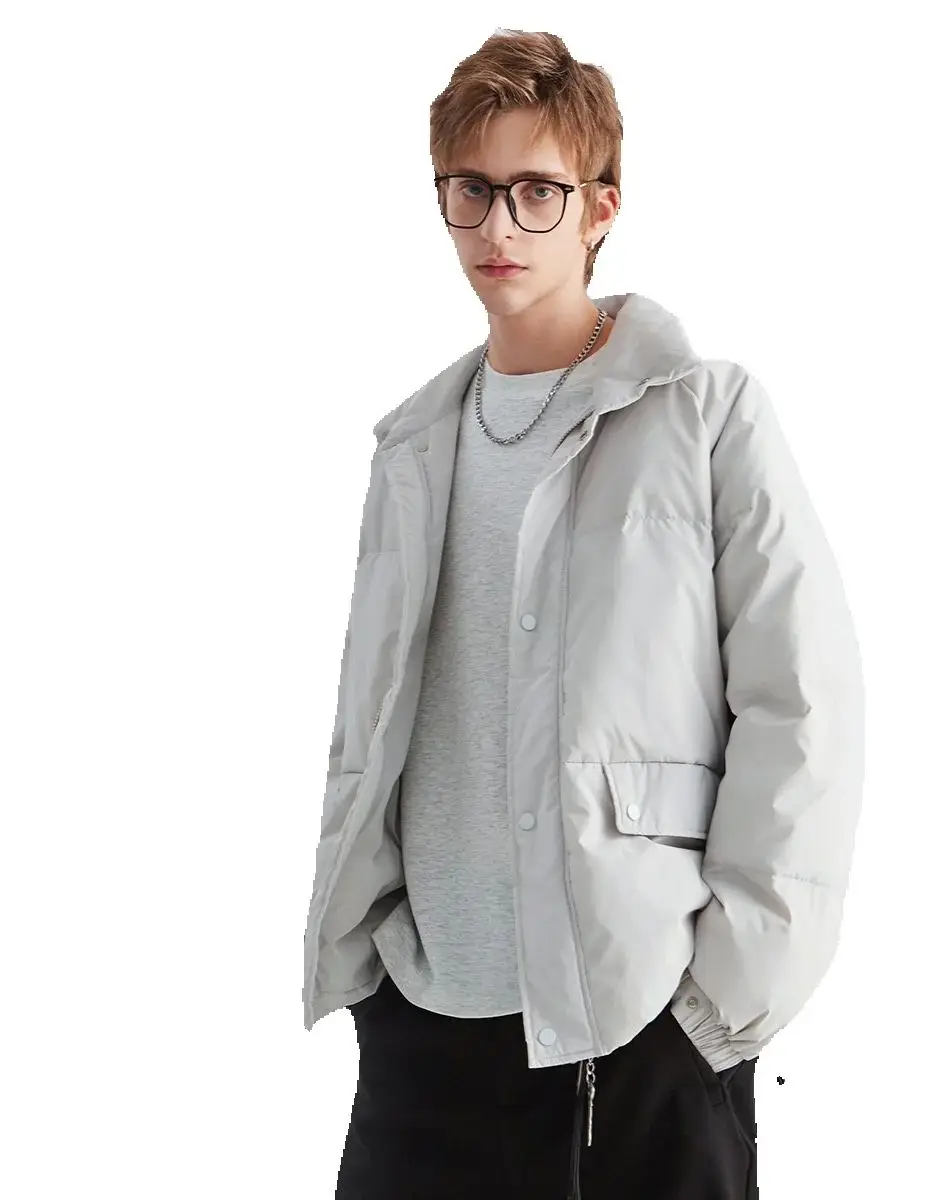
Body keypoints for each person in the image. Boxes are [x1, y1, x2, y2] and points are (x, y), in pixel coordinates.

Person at [302, 28, 866, 1200]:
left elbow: (804, 708)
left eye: (536, 192)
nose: (497, 227)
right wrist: (366, 968)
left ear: (600, 206)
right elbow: (378, 725)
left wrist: (717, 1006)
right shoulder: (413, 445)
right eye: (470, 190)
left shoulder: (704, 416)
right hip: (423, 1027)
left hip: (634, 1029)